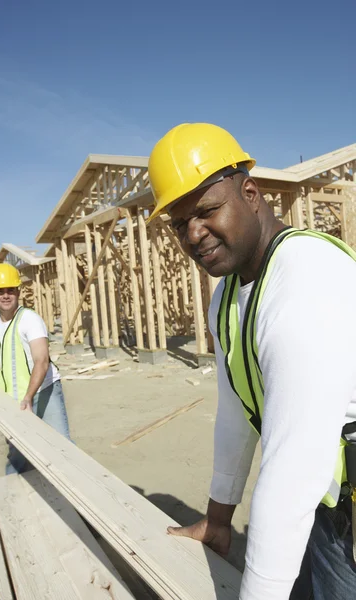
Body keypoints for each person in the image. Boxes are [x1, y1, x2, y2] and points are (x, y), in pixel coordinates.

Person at [147, 122, 356, 600]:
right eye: (180, 223)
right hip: (319, 506)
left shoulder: (306, 283)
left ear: (250, 192)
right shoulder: (226, 298)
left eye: (206, 210)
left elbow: (292, 471)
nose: (194, 234)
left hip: (342, 519)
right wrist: (219, 521)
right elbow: (234, 413)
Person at [0, 263, 71, 474]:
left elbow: (42, 360)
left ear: (18, 292)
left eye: (10, 290)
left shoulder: (30, 319)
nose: (6, 295)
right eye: (0, 291)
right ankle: (15, 497)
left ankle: (77, 498)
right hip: (12, 398)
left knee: (62, 449)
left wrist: (29, 397)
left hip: (43, 392)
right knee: (18, 453)